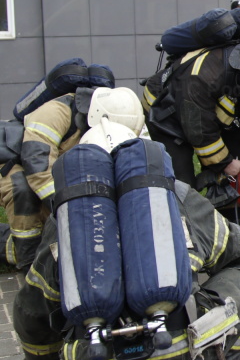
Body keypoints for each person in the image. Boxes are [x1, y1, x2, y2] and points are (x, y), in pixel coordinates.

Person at [12, 137, 240, 360]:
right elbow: (239, 247)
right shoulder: (175, 195)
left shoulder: (66, 219)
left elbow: (32, 313)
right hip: (176, 347)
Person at [142, 47, 240, 223]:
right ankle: (183, 231)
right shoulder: (204, 79)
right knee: (181, 179)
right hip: (167, 113)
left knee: (235, 170)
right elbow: (199, 130)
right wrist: (224, 162)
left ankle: (232, 232)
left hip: (206, 113)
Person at [0, 86, 143, 272]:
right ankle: (28, 259)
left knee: (52, 232)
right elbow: (38, 168)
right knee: (23, 193)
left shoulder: (108, 121)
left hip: (41, 172)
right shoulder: (55, 113)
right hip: (12, 167)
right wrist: (67, 208)